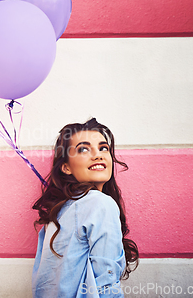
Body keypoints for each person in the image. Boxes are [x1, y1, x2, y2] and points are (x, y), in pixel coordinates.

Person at [32, 118, 139, 297]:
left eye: (103, 148)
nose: (98, 155)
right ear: (66, 167)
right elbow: (106, 284)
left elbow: (42, 285)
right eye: (83, 149)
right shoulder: (100, 204)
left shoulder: (56, 215)